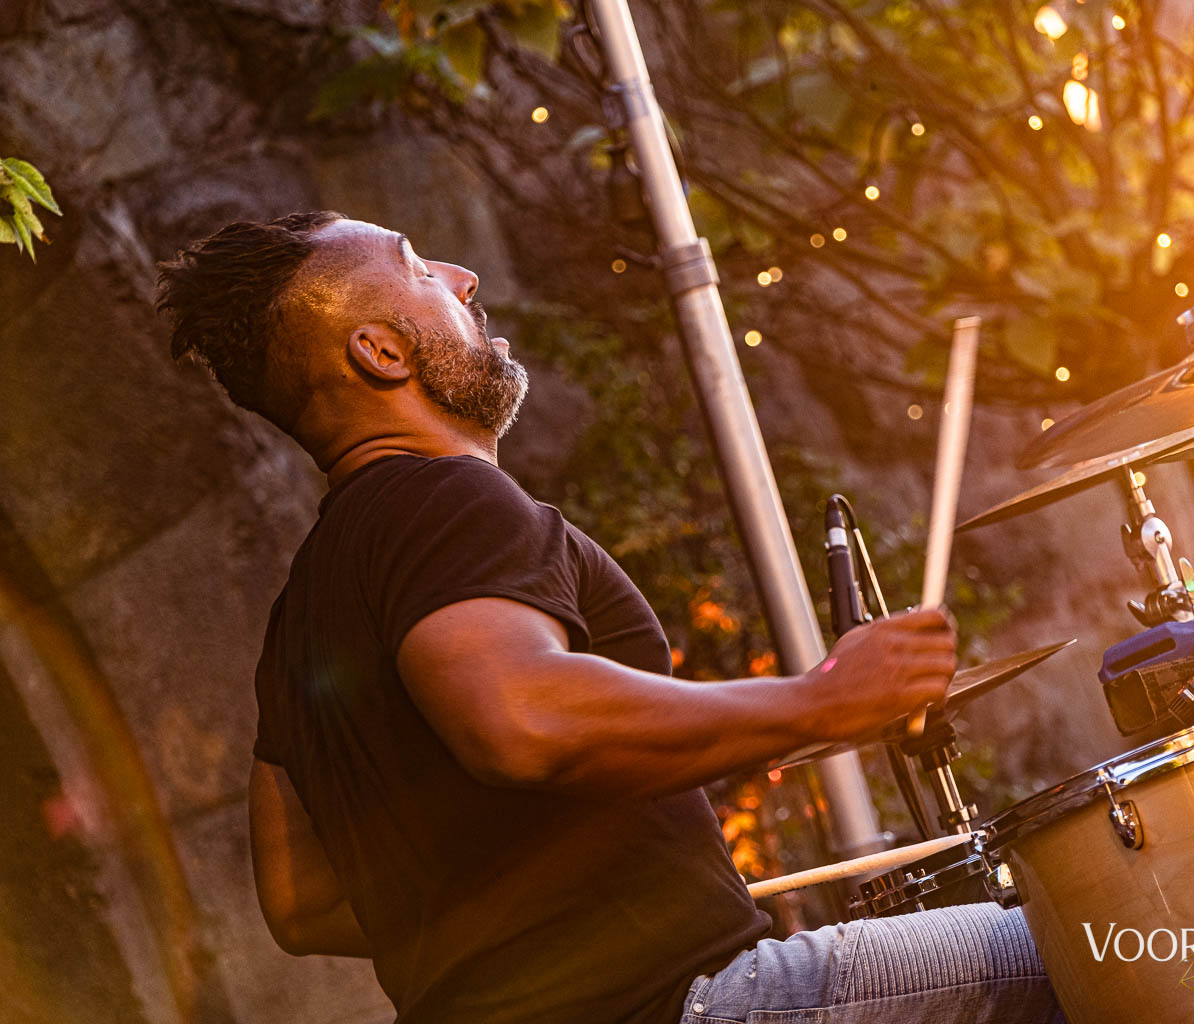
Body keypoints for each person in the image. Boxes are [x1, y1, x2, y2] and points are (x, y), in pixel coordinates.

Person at [156, 212, 1059, 1023]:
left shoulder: (299, 618)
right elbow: (520, 717)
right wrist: (823, 699)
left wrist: (532, 909)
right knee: (1089, 942)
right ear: (381, 354)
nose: (464, 277)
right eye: (419, 269)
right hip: (678, 1003)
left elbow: (302, 901)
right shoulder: (449, 500)